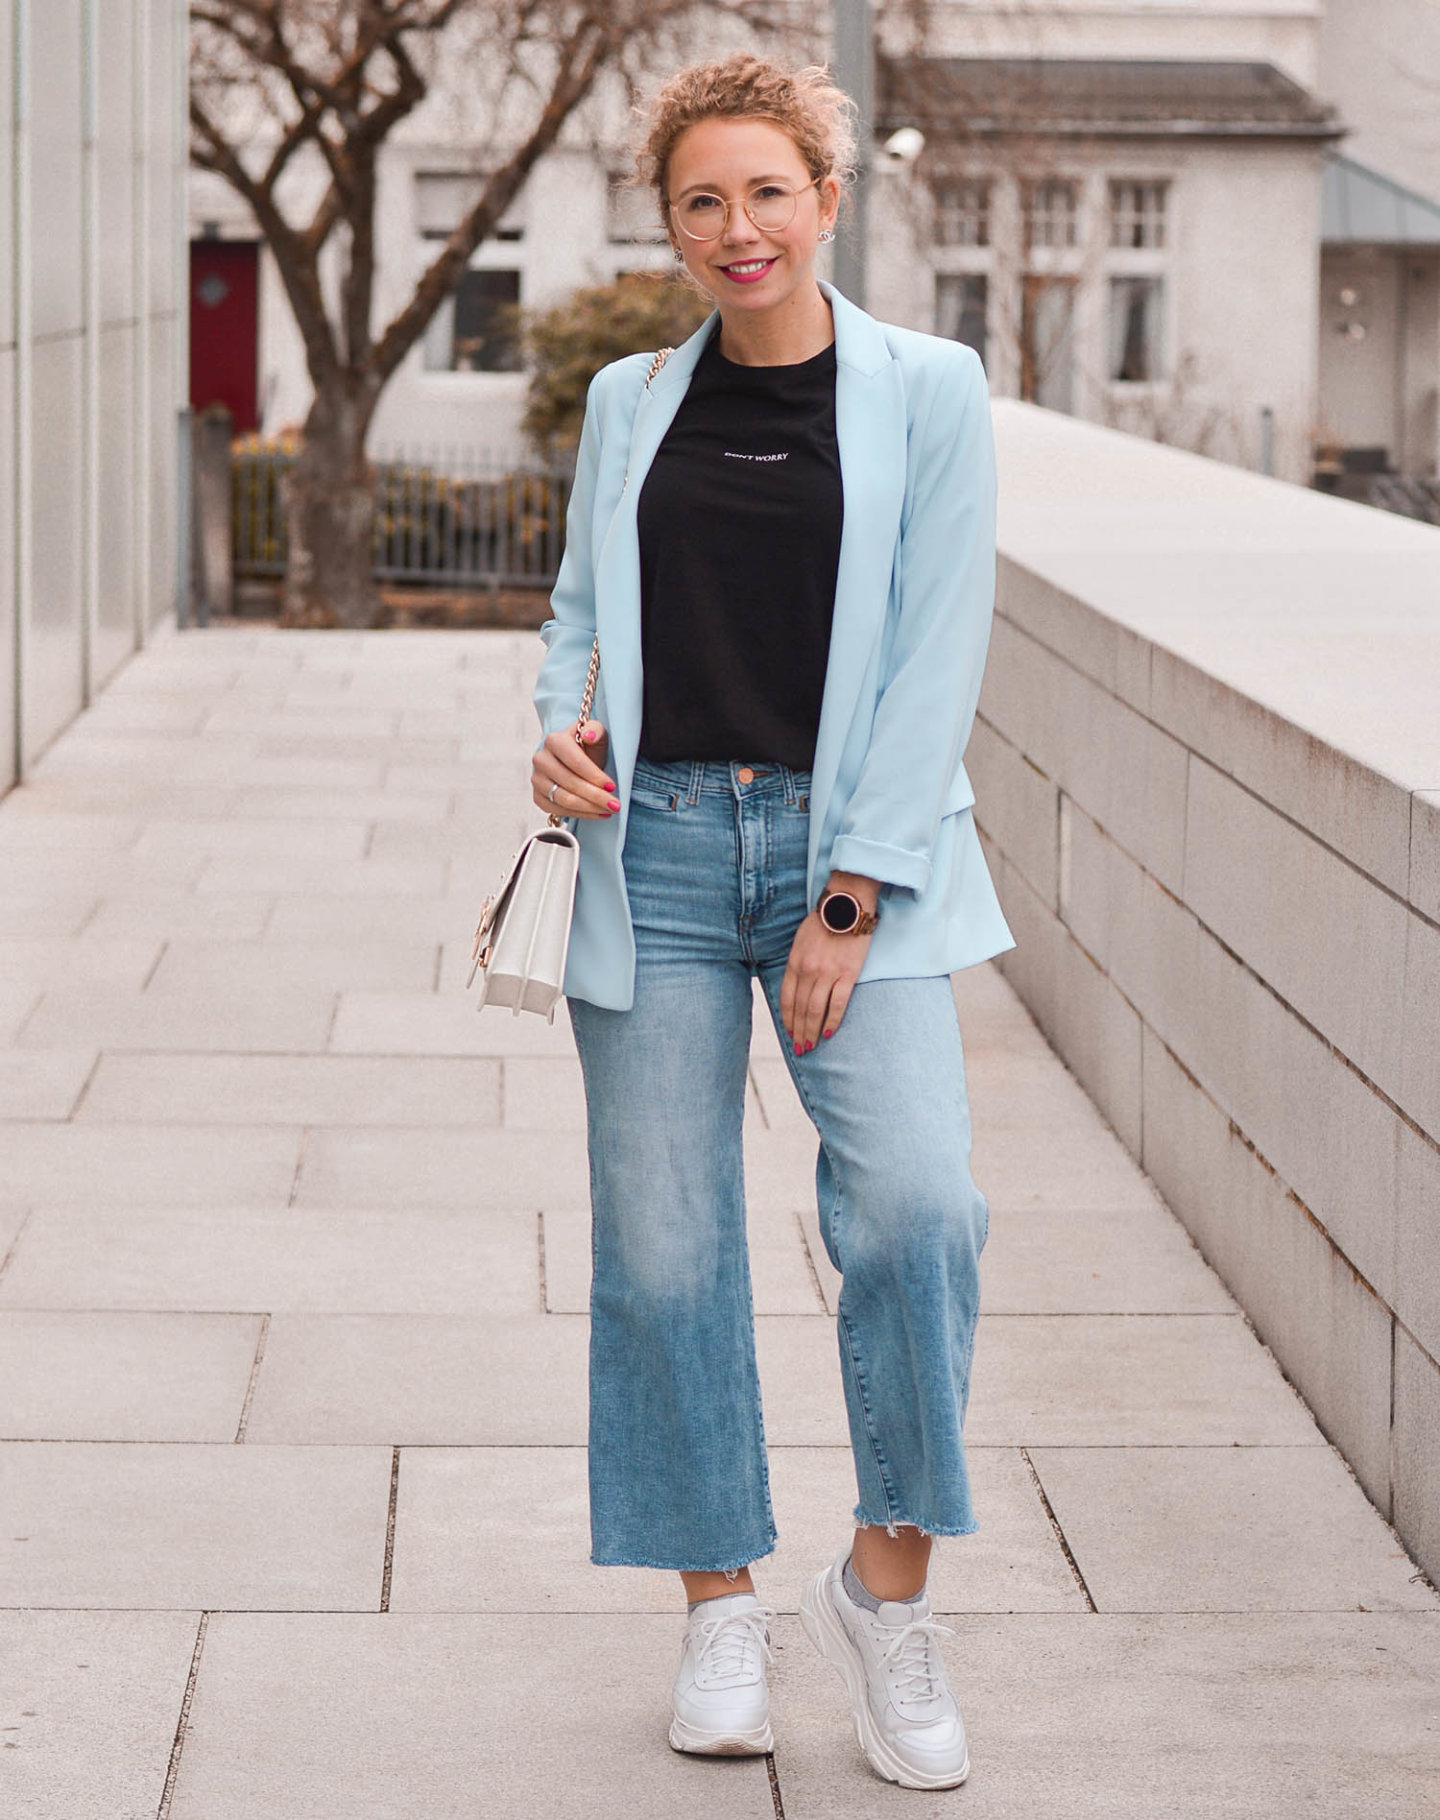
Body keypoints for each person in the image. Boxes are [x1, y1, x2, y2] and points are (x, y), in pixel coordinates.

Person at [529, 50, 1013, 1793]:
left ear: (829, 192)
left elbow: (938, 652)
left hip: (847, 861)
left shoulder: (929, 388)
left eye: (769, 192)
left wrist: (847, 895)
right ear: (671, 223)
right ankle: (716, 1604)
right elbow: (583, 612)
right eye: (702, 202)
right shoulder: (628, 400)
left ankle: (884, 1596)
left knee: (919, 1211)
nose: (740, 229)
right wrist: (562, 729)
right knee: (664, 1253)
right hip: (647, 855)